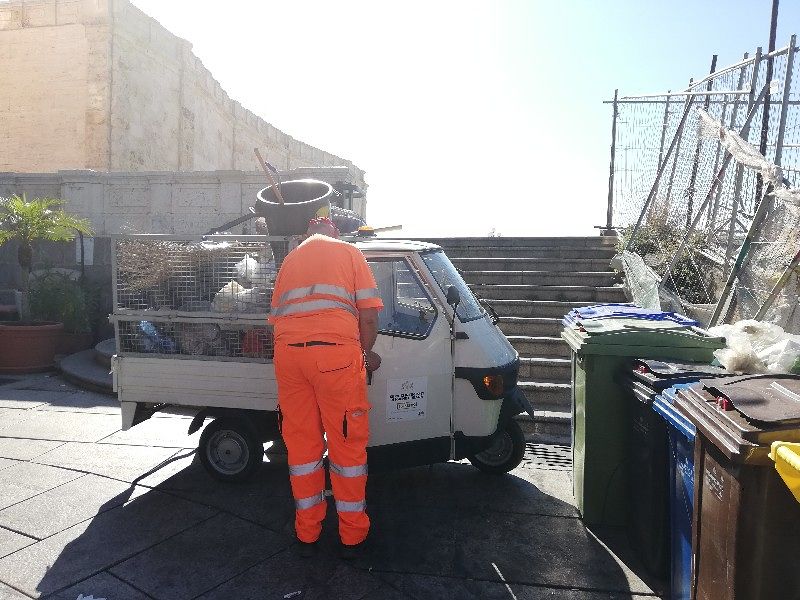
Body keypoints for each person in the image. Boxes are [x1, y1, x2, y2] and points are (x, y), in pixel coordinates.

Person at [268, 216, 383, 558]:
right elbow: (369, 316)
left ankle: (307, 530)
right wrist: (365, 353)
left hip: (289, 359)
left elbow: (276, 319)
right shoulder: (349, 252)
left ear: (307, 232)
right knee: (347, 446)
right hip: (335, 358)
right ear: (333, 230)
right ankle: (352, 534)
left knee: (302, 447)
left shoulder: (289, 261)